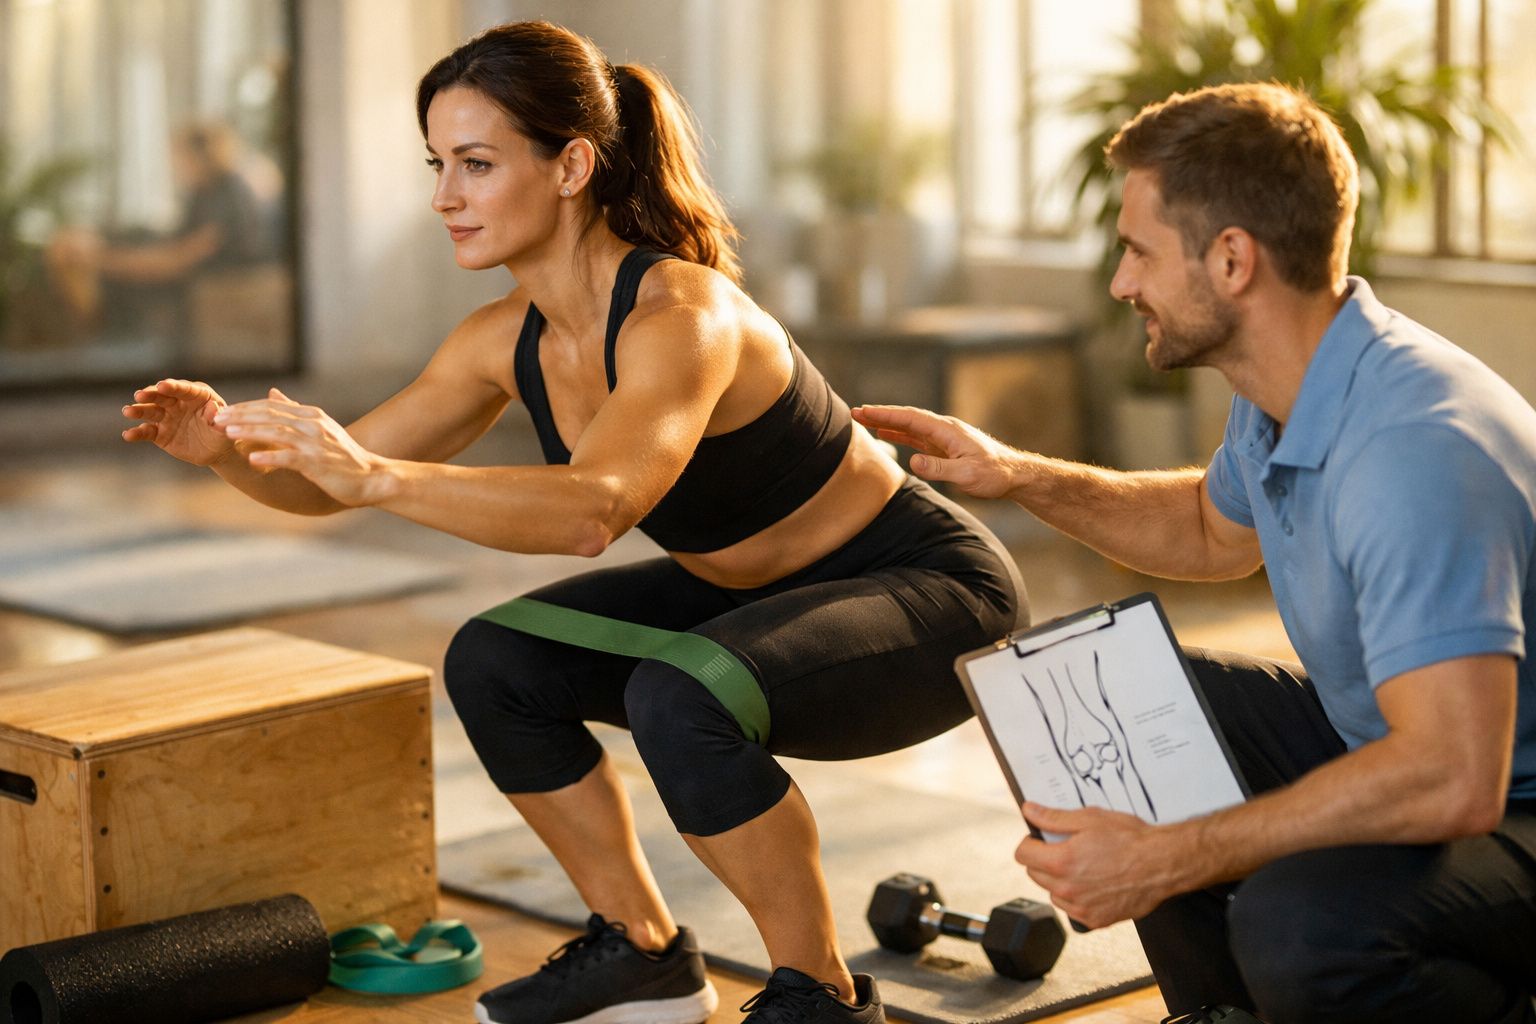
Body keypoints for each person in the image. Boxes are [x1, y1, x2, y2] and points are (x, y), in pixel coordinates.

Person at [120, 21, 1025, 1024]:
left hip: (930, 596)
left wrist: (377, 475)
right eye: (438, 164)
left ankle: (821, 994)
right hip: (747, 595)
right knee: (497, 661)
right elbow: (330, 481)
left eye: (476, 163)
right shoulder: (500, 340)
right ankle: (642, 953)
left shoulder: (685, 313)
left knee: (680, 693)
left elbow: (595, 509)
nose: (443, 197)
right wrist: (222, 452)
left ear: (572, 166)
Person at [853, 82, 1536, 1024]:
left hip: (1508, 801)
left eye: (1136, 250)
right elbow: (1211, 532)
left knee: (1301, 926)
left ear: (1231, 259)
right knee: (1128, 706)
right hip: (1408, 745)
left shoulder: (1416, 449)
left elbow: (1453, 777)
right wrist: (1017, 474)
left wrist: (1164, 854)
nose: (1120, 283)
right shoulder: (1288, 385)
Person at [49, 121, 278, 335]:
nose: (174, 165)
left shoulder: (229, 195)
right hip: (191, 276)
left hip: (214, 285)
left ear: (199, 156)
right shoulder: (204, 192)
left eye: (178, 156)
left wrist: (102, 260)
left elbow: (181, 259)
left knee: (115, 286)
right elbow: (176, 240)